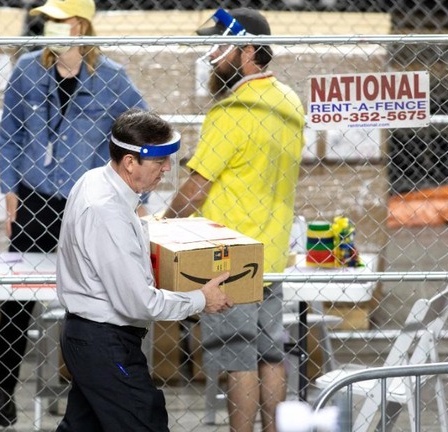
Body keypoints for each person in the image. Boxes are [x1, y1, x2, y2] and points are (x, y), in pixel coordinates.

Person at [0, 0, 147, 429]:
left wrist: (133, 191)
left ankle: (94, 394)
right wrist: (10, 189)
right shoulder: (27, 70)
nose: (49, 27)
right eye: (47, 20)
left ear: (80, 26)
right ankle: (3, 396)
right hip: (35, 199)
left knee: (94, 296)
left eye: (58, 20)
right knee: (17, 300)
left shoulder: (112, 79)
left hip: (87, 204)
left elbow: (139, 131)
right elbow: (10, 133)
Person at [165, 8, 306, 432]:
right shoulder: (288, 101)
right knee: (270, 355)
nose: (210, 56)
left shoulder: (230, 112)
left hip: (228, 256)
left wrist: (163, 221)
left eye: (218, 46)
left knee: (237, 360)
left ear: (246, 51)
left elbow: (196, 187)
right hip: (273, 250)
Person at [55, 109, 234, 432]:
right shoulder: (106, 211)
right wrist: (201, 299)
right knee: (146, 422)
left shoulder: (95, 180)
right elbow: (139, 303)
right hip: (105, 342)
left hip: (88, 337)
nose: (167, 168)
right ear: (129, 162)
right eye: (159, 161)